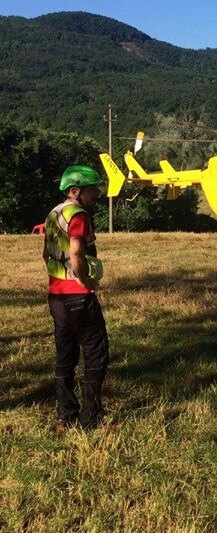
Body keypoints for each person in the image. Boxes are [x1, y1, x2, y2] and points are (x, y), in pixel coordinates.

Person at [43, 165, 109, 431]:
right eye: (93, 189)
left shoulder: (53, 214)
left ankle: (65, 415)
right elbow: (76, 251)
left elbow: (46, 253)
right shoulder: (78, 214)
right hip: (77, 295)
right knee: (97, 355)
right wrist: (83, 280)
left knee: (65, 357)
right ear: (75, 191)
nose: (97, 194)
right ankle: (90, 419)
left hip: (56, 296)